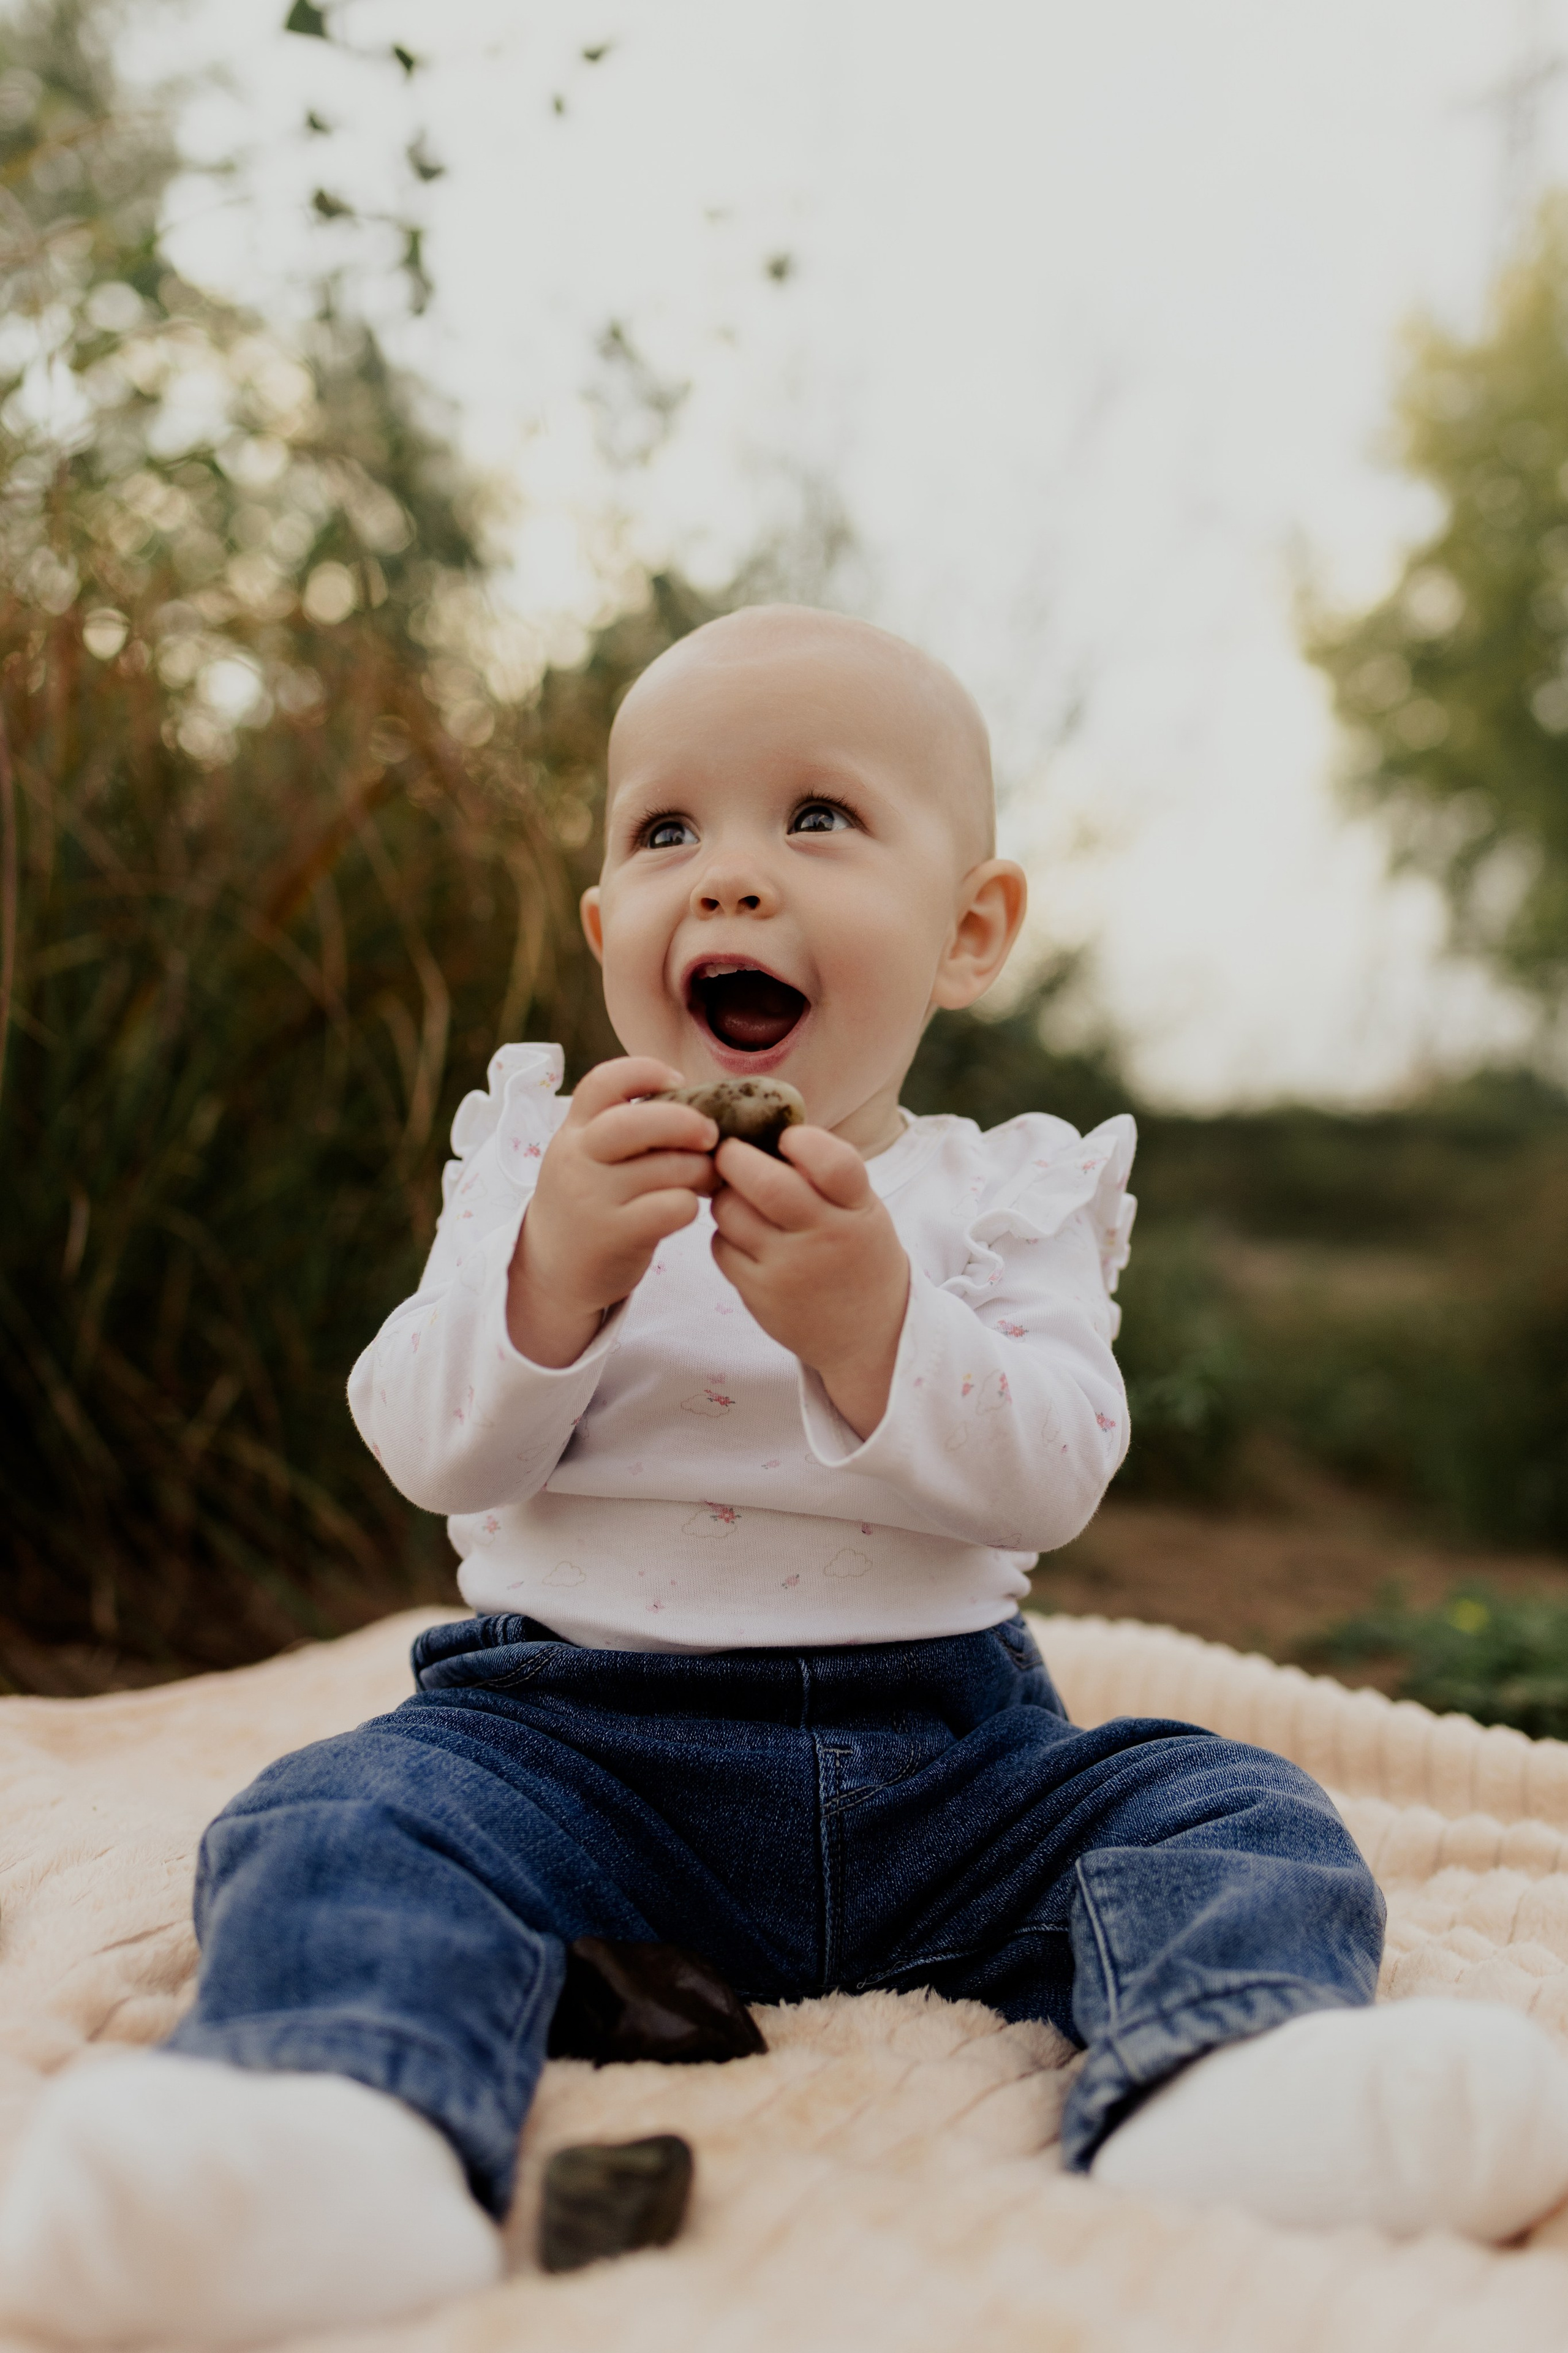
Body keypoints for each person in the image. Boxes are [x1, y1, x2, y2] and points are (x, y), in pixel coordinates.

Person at [7, 607, 1568, 2346]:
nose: (730, 879)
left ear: (968, 930)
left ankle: (1230, 2069)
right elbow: (426, 1437)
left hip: (948, 1771)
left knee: (1231, 1807)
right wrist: (551, 1281)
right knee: (333, 1816)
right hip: (563, 1747)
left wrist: (879, 1323)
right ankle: (327, 2123)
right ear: (609, 929)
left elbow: (1051, 1470)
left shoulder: (1001, 1197)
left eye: (817, 818)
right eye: (668, 830)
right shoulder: (539, 1159)